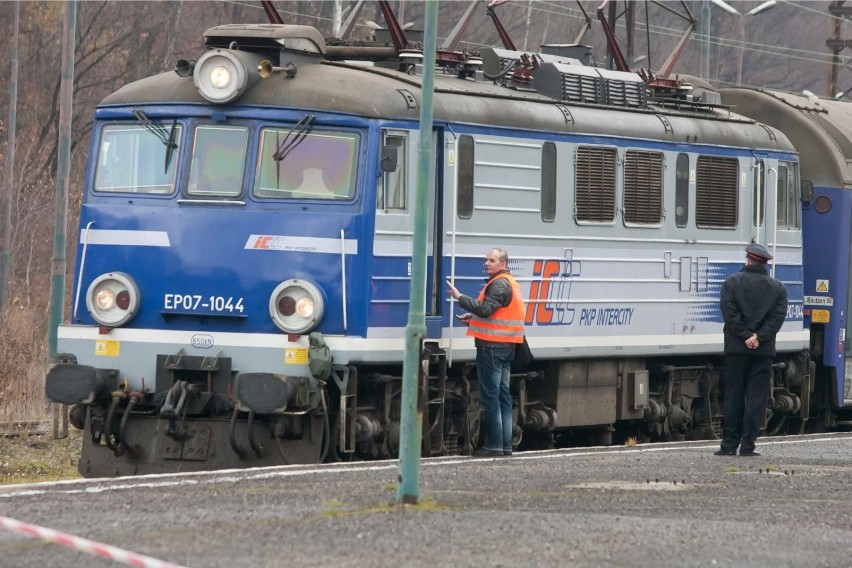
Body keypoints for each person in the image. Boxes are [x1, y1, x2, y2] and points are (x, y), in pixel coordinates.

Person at [447, 248, 525, 457]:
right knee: (503, 396)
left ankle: (494, 446)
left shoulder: (499, 284)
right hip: (506, 347)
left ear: (503, 264)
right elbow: (497, 313)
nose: (486, 263)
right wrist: (473, 319)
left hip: (492, 348)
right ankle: (505, 445)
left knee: (491, 396)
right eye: (486, 260)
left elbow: (486, 309)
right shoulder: (510, 283)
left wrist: (459, 296)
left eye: (491, 260)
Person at [715, 243, 788, 457]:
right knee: (756, 398)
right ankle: (748, 446)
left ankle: (728, 446)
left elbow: (729, 313)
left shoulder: (731, 283)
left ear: (747, 260)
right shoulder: (778, 288)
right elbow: (777, 318)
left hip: (737, 349)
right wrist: (759, 337)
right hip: (762, 351)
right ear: (765, 264)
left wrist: (745, 336)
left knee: (734, 396)